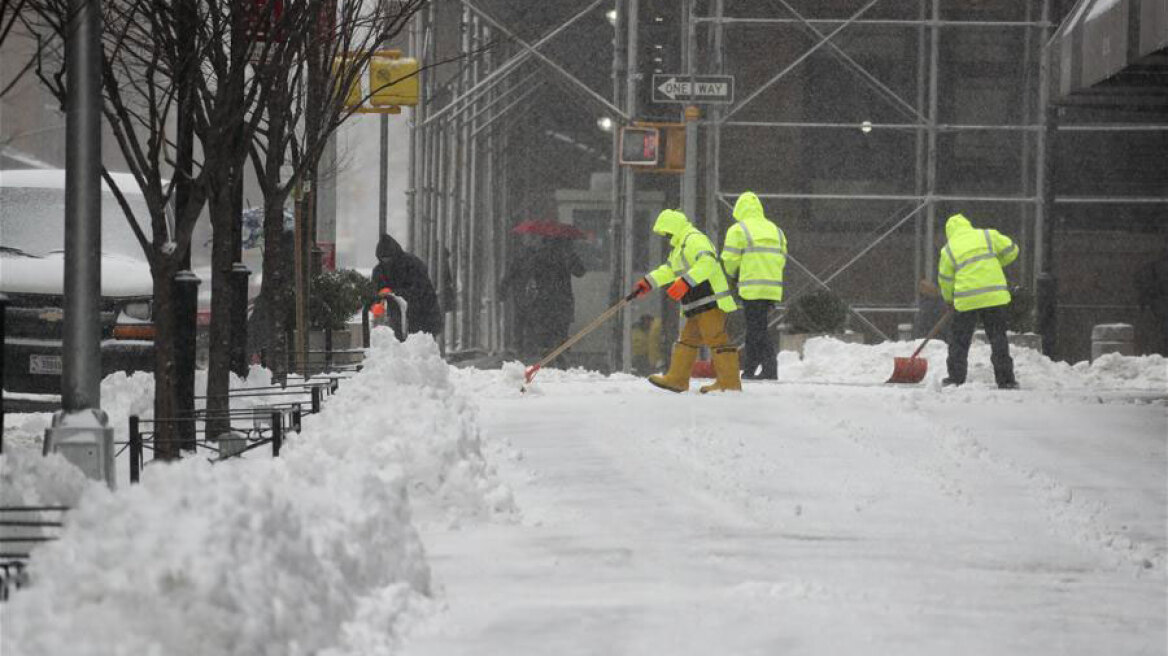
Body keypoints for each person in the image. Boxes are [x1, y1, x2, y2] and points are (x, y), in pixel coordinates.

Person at [630, 209, 740, 393]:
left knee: (716, 339)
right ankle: (678, 379)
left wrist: (685, 282)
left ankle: (729, 383)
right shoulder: (679, 248)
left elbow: (708, 263)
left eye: (666, 232)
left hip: (710, 301)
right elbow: (669, 270)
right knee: (687, 341)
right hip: (696, 304)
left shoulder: (693, 239)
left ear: (673, 227)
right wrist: (648, 282)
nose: (666, 236)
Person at [937, 213, 1019, 389]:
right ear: (968, 225)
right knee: (998, 338)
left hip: (967, 299)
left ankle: (955, 378)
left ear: (949, 232)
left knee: (959, 339)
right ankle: (1006, 380)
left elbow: (945, 279)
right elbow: (1012, 250)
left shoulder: (949, 249)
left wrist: (949, 299)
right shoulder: (987, 235)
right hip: (994, 297)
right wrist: (996, 263)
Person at [720, 191, 787, 380]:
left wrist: (734, 276)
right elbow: (781, 258)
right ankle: (750, 369)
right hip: (772, 287)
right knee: (755, 328)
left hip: (751, 287)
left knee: (757, 329)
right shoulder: (776, 230)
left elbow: (730, 260)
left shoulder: (738, 230)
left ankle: (769, 368)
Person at [499, 235, 585, 360]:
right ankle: (557, 357)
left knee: (546, 334)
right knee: (558, 332)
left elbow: (527, 272)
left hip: (546, 301)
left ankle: (546, 356)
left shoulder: (539, 255)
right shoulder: (563, 256)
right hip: (560, 301)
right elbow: (580, 272)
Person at [371, 233, 443, 341]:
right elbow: (375, 292)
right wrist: (378, 301)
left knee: (420, 347)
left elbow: (420, 291)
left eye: (389, 258)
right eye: (383, 259)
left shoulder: (412, 265)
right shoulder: (379, 271)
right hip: (398, 317)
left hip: (423, 315)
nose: (386, 262)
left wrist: (393, 292)